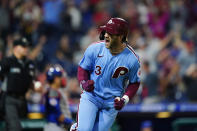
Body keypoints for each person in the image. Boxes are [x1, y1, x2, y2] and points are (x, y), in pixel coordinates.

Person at [71, 18, 141, 131]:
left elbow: (134, 83)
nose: (106, 35)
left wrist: (124, 100)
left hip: (111, 103)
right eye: (106, 32)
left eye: (111, 33)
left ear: (121, 36)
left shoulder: (132, 59)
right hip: (91, 96)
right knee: (84, 129)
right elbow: (83, 68)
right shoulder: (95, 48)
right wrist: (83, 83)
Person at [0, 37, 35, 131]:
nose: (26, 49)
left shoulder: (30, 63)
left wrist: (37, 88)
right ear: (15, 48)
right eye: (23, 46)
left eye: (27, 46)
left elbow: (31, 83)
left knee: (11, 127)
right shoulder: (7, 61)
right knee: (15, 128)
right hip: (9, 100)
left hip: (23, 101)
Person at [44, 66, 73, 131]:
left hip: (58, 126)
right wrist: (70, 123)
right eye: (59, 77)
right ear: (55, 79)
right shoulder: (52, 92)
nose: (61, 79)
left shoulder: (55, 91)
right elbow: (57, 112)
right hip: (55, 127)